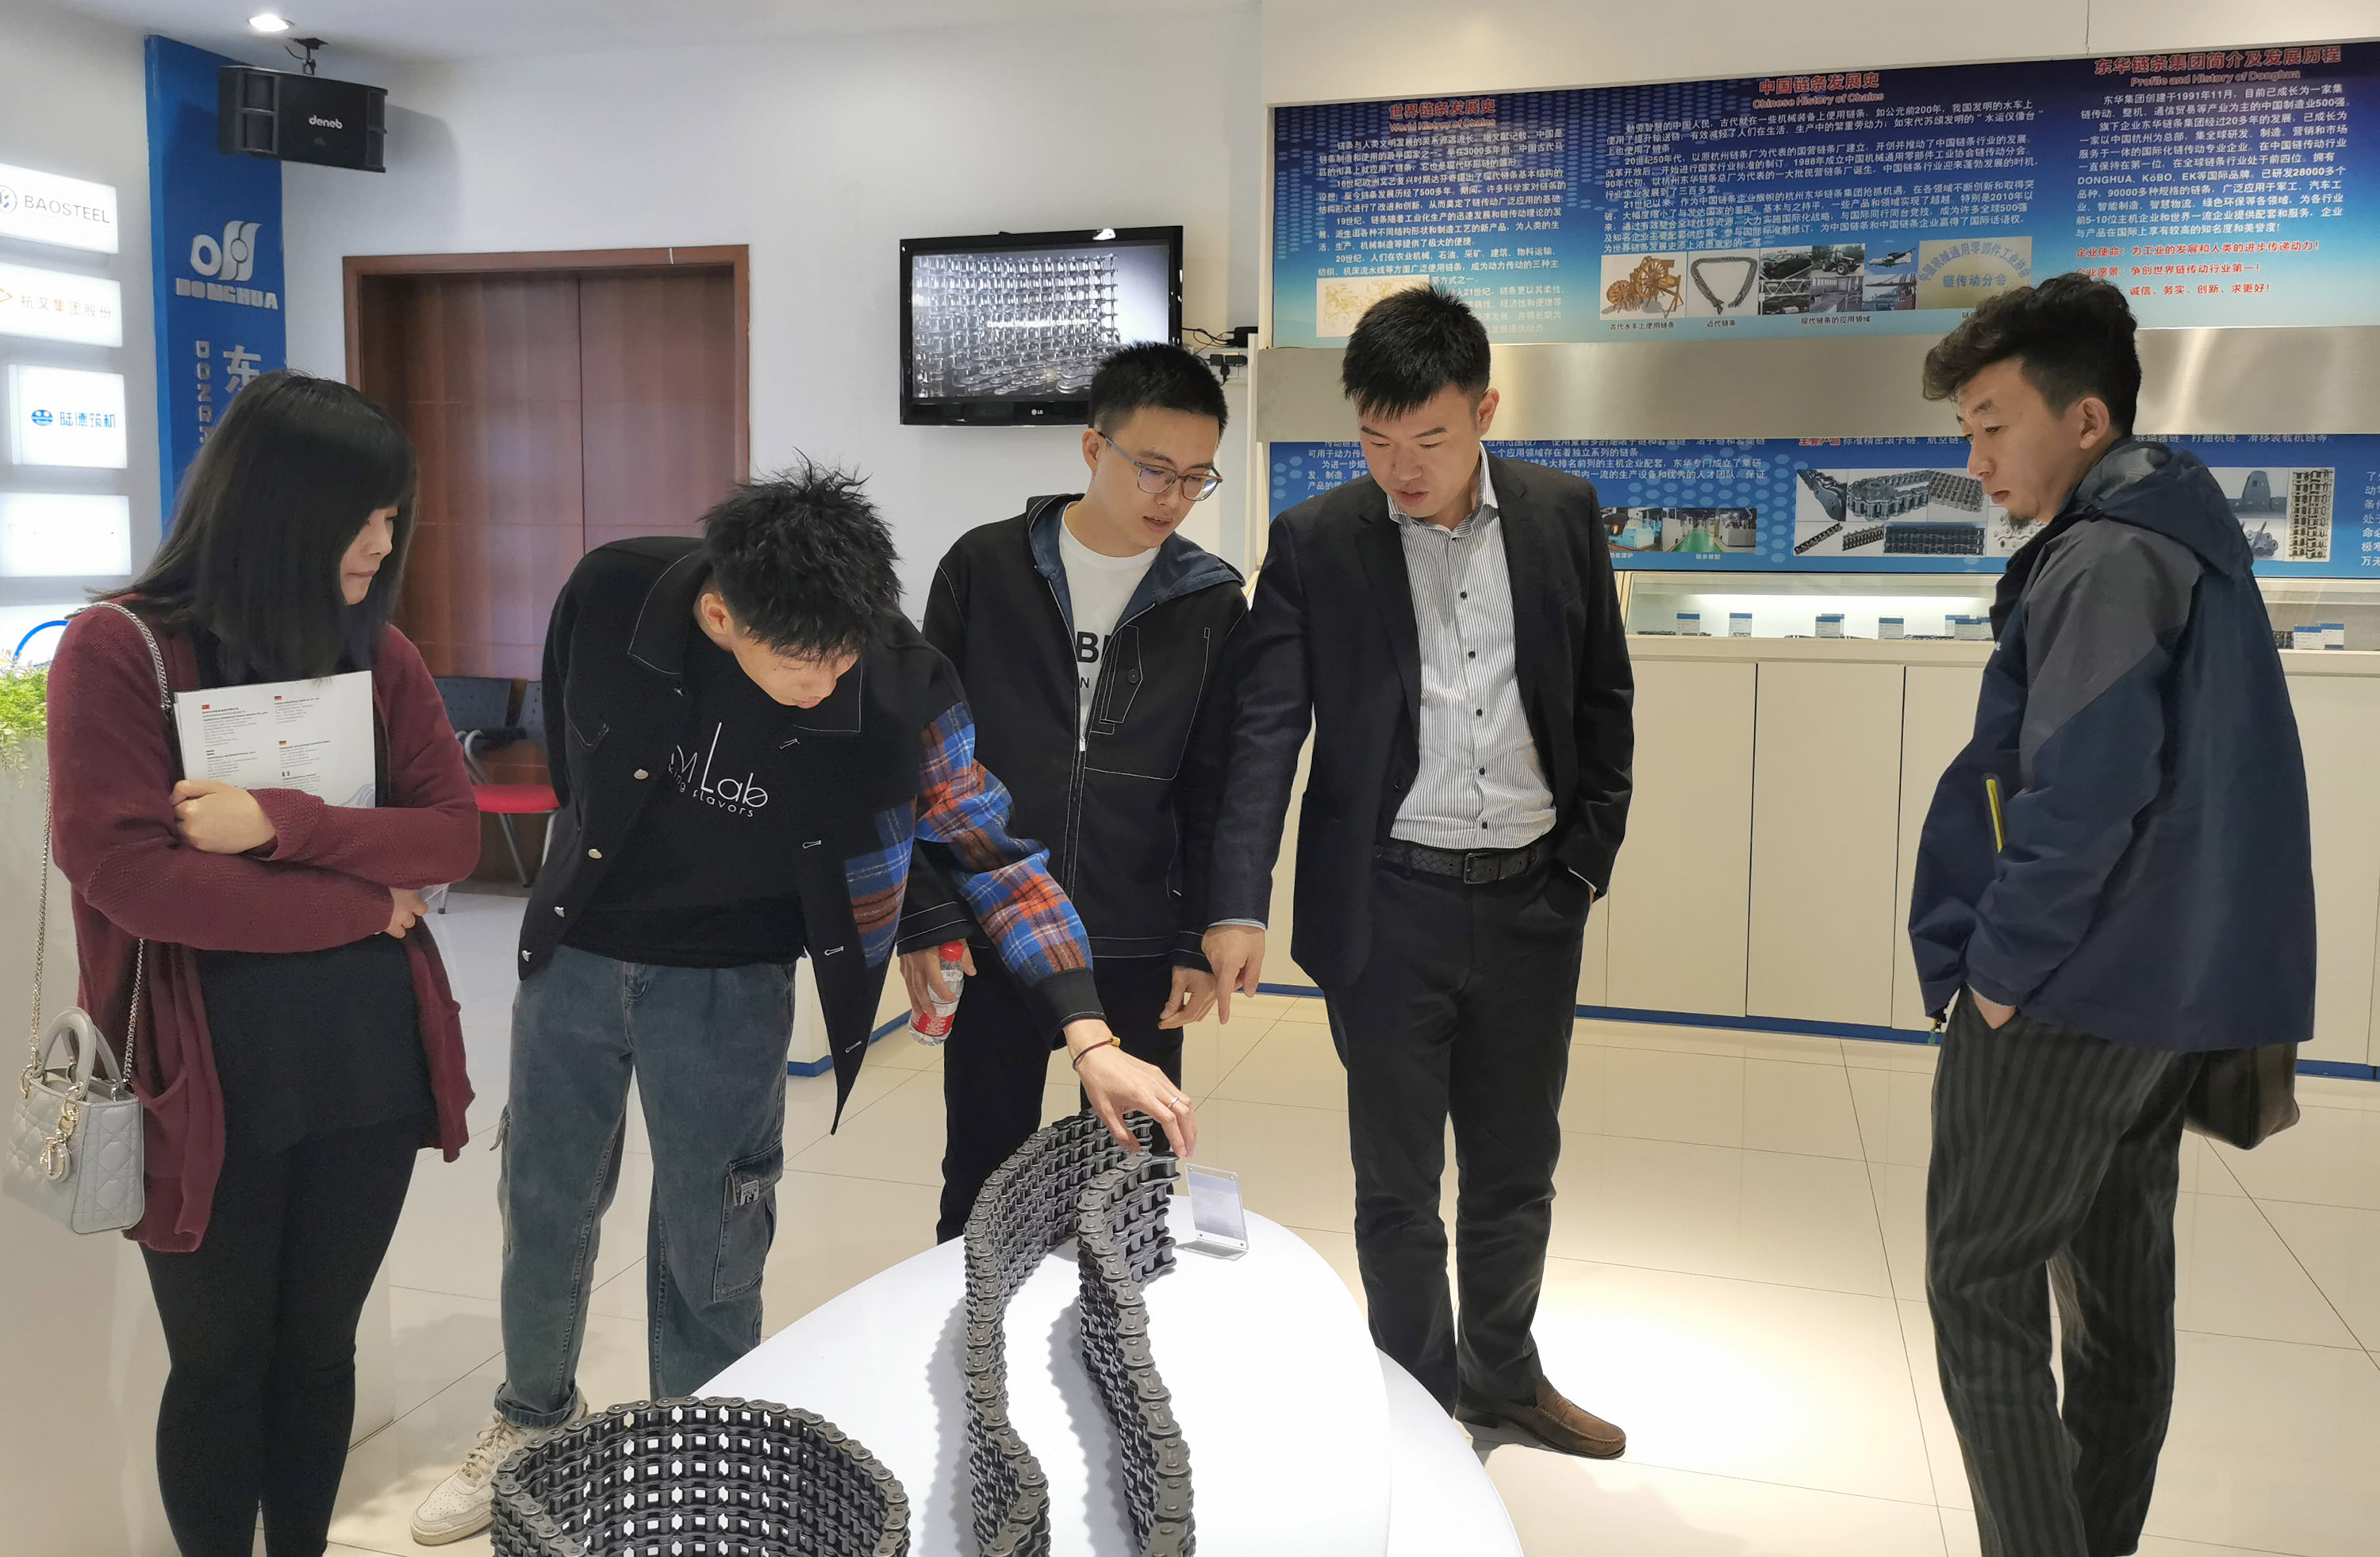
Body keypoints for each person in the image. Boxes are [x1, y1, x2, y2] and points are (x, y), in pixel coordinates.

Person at [413, 463, 1195, 1544]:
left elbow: (991, 852)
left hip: (735, 976)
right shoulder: (613, 594)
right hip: (579, 950)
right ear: (721, 615)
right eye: (800, 659)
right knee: (542, 1199)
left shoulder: (905, 679)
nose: (828, 681)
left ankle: (704, 1453)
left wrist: (1090, 1029)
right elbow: (574, 755)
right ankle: (531, 1416)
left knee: (714, 1235)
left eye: (844, 653)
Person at [1908, 274, 2315, 1557]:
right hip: (2165, 1002)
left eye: (1993, 425)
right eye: (1967, 432)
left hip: (2070, 995)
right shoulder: (2186, 536)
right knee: (2121, 1303)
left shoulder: (2104, 557)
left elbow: (2079, 797)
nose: (1977, 461)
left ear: (2085, 419)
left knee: (1981, 1284)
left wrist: (1997, 975)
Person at [44, 370, 480, 1557]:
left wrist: (279, 823)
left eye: (394, 516)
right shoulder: (121, 648)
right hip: (204, 1075)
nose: (384, 541)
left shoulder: (379, 652)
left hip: (366, 1060)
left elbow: (451, 835)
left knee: (319, 1349)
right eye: (367, 515)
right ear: (283, 507)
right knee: (219, 1362)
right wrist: (365, 903)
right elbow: (131, 874)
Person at [1202, 286, 1634, 1455]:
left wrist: (1583, 864)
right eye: (1376, 439)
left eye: (1430, 439)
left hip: (1533, 898)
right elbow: (1265, 732)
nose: (1402, 467)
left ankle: (1505, 1376)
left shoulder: (1561, 513)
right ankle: (1417, 1403)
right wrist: (1238, 900)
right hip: (1387, 905)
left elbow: (1604, 695)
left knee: (1516, 1166)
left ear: (1485, 411)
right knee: (1396, 1182)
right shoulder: (1316, 539)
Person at [909, 342, 1245, 1241]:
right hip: (996, 925)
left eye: (1196, 479)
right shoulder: (984, 567)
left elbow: (1215, 781)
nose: (1172, 498)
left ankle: (1117, 1326)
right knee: (982, 1173)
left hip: (1139, 932)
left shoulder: (1210, 601)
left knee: (1133, 1178)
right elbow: (924, 757)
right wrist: (930, 914)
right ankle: (975, 1323)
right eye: (1154, 469)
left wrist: (1195, 935)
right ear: (1094, 448)